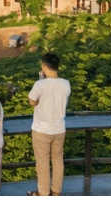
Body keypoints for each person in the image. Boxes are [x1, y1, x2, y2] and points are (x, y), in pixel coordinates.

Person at [27, 53, 70, 196]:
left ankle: (43, 192)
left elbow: (32, 101)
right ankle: (56, 190)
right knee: (58, 160)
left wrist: (40, 80)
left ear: (44, 67)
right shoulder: (66, 83)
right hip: (59, 128)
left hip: (41, 129)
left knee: (43, 162)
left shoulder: (40, 84)